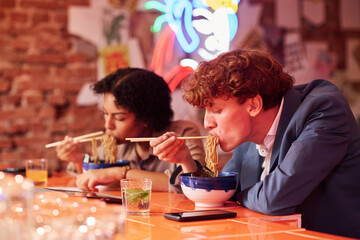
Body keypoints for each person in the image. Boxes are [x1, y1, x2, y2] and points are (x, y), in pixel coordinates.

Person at [150, 49, 360, 238]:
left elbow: (273, 199)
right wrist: (186, 161)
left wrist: (239, 195)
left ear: (253, 105)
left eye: (216, 110)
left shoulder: (323, 110)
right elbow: (222, 191)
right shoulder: (247, 133)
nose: (207, 123)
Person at [56, 67, 205, 192]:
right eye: (105, 114)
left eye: (119, 118)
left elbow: (194, 183)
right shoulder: (118, 143)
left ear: (146, 117)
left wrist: (121, 173)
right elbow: (94, 176)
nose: (108, 125)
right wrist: (77, 160)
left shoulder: (182, 134)